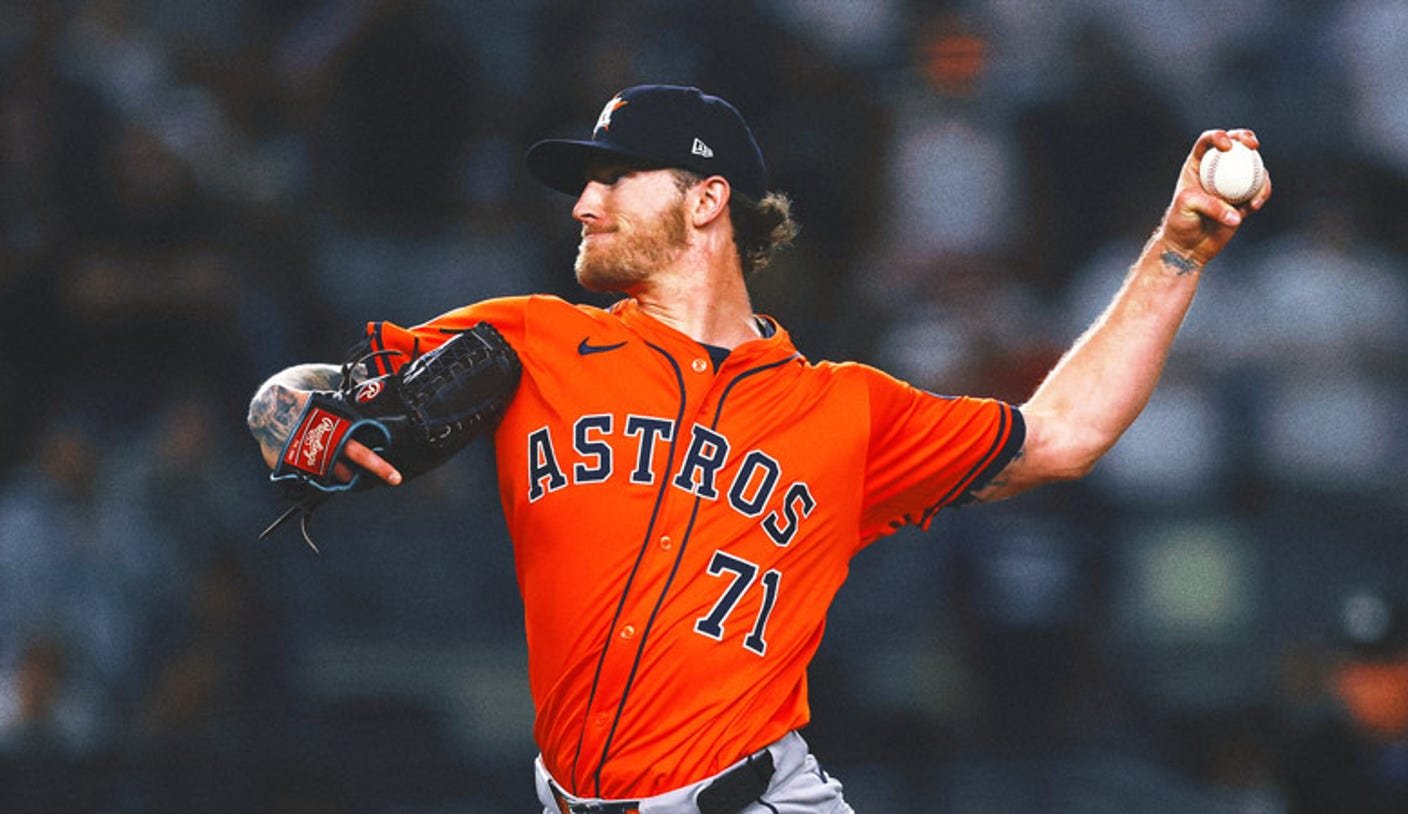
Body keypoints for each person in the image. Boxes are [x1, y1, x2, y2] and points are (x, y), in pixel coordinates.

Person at [247, 84, 1270, 813]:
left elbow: (1062, 434)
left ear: (706, 198)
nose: (583, 203)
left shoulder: (845, 411)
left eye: (614, 177)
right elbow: (290, 401)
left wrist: (1178, 249)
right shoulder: (530, 338)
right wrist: (306, 426)